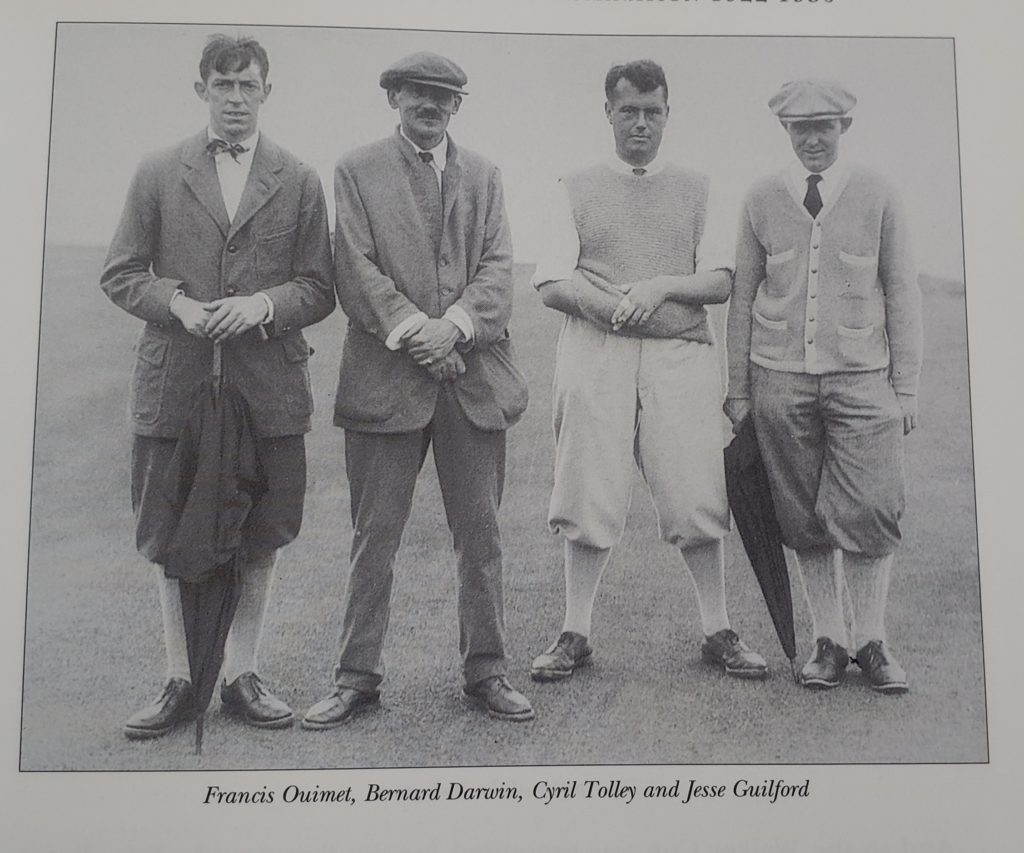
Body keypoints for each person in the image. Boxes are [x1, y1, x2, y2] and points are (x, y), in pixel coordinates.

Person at [101, 34, 335, 739]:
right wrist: (180, 305)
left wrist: (261, 306)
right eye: (224, 84)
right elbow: (121, 272)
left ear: (269, 91)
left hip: (266, 390)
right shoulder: (157, 172)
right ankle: (179, 680)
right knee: (170, 527)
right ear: (201, 89)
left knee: (262, 530)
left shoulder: (297, 178)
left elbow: (319, 286)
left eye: (249, 85)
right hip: (175, 387)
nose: (236, 98)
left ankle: (241, 674)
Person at [302, 51, 533, 728]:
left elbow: (497, 270)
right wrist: (417, 332)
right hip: (387, 383)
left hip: (472, 381)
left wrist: (454, 329)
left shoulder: (485, 175)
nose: (431, 106)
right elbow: (356, 269)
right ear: (394, 96)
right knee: (375, 536)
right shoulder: (355, 169)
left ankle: (487, 671)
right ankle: (356, 677)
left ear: (458, 104)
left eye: (444, 96)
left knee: (481, 537)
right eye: (418, 93)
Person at [530, 60, 768, 684]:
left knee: (696, 494)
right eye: (628, 110)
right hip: (595, 352)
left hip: (680, 354)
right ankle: (574, 632)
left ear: (668, 113)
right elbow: (553, 281)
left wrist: (659, 287)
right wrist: (612, 308)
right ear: (607, 111)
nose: (641, 123)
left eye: (652, 111)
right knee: (587, 488)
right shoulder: (574, 184)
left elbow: (719, 280)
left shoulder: (698, 186)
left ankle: (718, 628)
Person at [725, 80, 922, 693]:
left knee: (870, 509)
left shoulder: (878, 193)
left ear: (844, 128)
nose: (812, 139)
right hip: (778, 379)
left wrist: (906, 388)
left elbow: (902, 290)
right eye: (799, 128)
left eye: (824, 128)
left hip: (862, 380)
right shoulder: (760, 196)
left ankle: (872, 639)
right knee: (803, 516)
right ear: (785, 130)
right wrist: (737, 390)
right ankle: (830, 639)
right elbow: (742, 298)